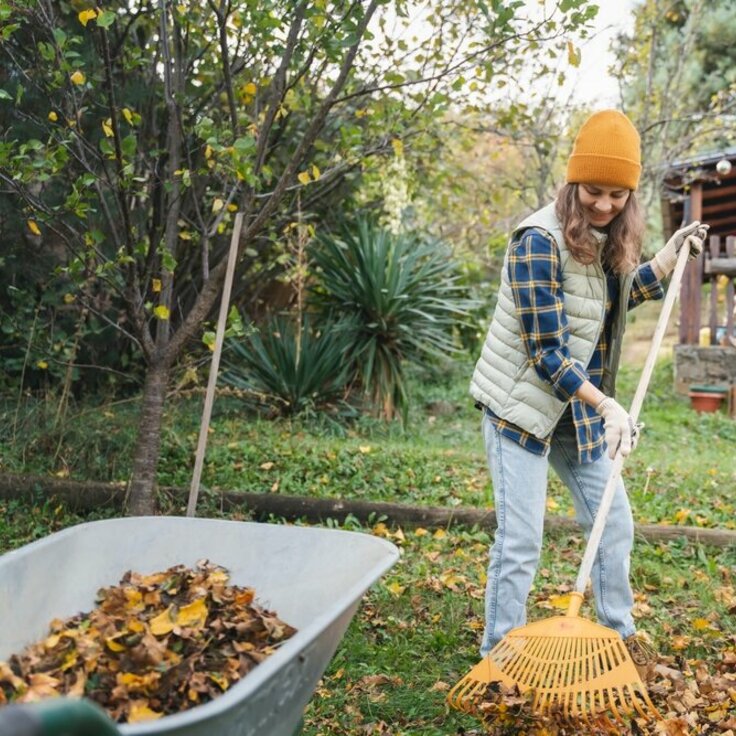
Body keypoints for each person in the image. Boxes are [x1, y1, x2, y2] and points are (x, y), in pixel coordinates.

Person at [469, 109, 708, 676]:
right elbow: (547, 352)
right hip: (520, 410)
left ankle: (618, 638)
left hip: (574, 415)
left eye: (617, 195)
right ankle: (498, 654)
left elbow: (606, 303)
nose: (604, 205)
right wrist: (606, 404)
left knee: (613, 522)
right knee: (521, 540)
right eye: (594, 191)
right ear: (574, 183)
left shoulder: (608, 238)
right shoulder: (537, 241)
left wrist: (666, 259)